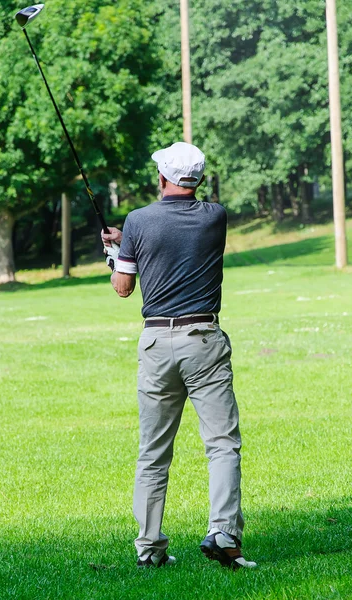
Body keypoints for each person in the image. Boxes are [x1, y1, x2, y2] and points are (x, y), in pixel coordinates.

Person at [102, 142, 257, 570]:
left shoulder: (138, 221)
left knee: (153, 451)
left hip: (155, 344)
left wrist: (118, 250)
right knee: (222, 444)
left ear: (163, 177)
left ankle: (149, 549)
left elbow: (123, 286)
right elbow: (173, 240)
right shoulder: (215, 217)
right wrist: (128, 242)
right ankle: (223, 531)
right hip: (203, 338)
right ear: (199, 180)